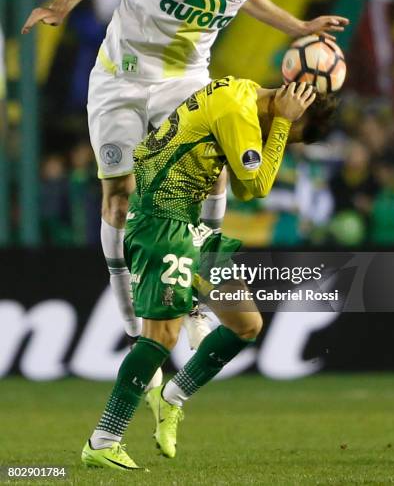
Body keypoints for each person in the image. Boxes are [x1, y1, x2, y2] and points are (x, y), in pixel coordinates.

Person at [22, 0, 348, 346]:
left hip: (185, 82)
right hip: (122, 80)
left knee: (211, 168)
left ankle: (199, 281)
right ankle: (129, 310)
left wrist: (297, 26)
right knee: (119, 199)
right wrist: (61, 6)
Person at [80, 75, 326, 469]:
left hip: (190, 221)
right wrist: (281, 122)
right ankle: (104, 439)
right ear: (294, 115)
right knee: (161, 336)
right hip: (164, 220)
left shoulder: (240, 90)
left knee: (245, 324)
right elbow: (254, 189)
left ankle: (170, 399)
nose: (280, 140)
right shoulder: (240, 112)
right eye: (294, 136)